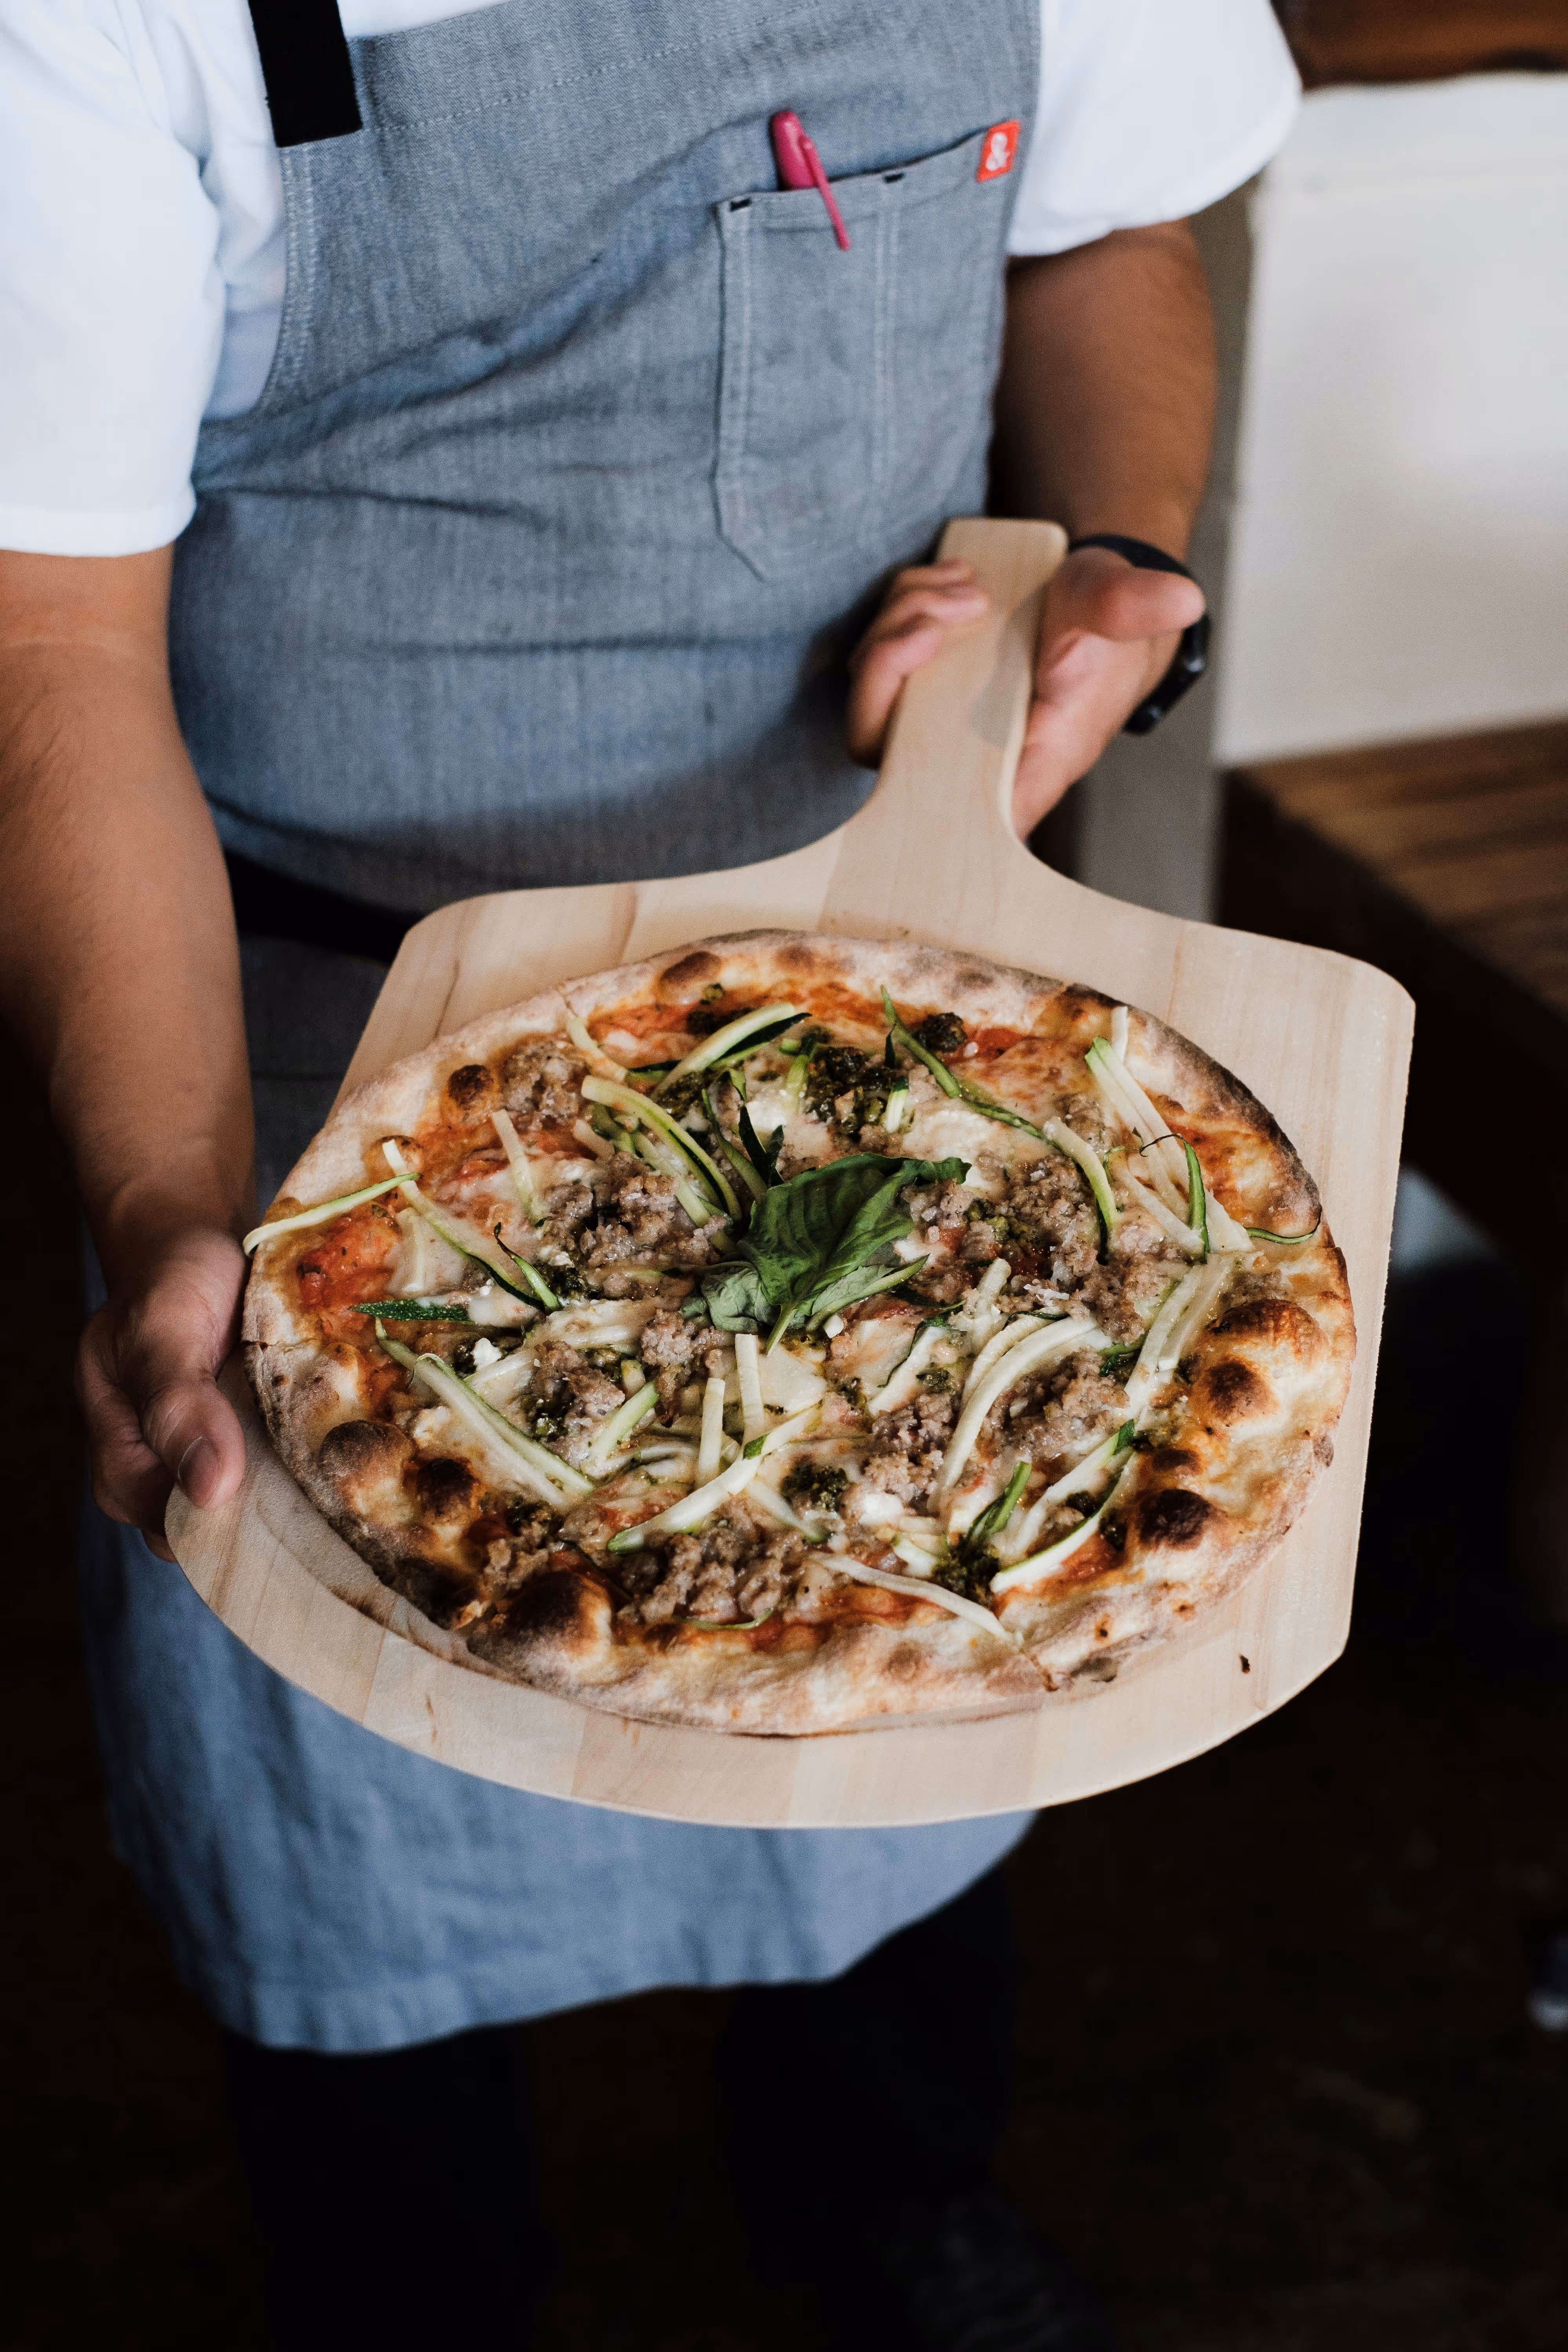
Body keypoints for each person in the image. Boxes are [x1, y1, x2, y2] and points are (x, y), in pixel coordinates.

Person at [0, 2, 1299, 2343]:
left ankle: (891, 2207)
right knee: (337, 1807)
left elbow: (1109, 227)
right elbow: (51, 647)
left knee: (939, 1656)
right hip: (334, 1051)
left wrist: (1120, 557)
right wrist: (164, 1199)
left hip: (910, 1010)